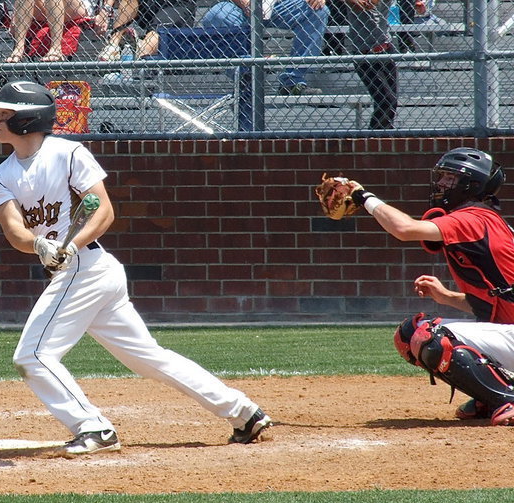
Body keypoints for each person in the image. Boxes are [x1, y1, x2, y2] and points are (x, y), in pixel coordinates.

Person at [0, 80, 273, 454]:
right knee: (149, 358)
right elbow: (14, 230)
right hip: (79, 272)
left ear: (27, 120)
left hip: (88, 267)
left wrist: (70, 245)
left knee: (32, 356)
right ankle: (244, 413)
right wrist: (39, 245)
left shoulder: (68, 154)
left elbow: (102, 210)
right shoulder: (0, 176)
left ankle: (93, 428)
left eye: (4, 114)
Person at [348, 147, 514, 427]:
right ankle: (490, 394)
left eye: (451, 179)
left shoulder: (474, 218)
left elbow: (404, 229)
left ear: (472, 186)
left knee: (430, 334)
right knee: (409, 334)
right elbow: (496, 302)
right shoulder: (479, 219)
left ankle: (505, 396)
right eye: (443, 177)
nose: (441, 184)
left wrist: (365, 197)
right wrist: (447, 297)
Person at [197, 0, 328, 96]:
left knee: (319, 10)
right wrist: (245, 3)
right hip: (238, 6)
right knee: (216, 16)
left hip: (280, 4)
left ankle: (292, 82)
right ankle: (246, 73)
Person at [342, 0, 397, 128]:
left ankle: (382, 136)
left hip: (386, 49)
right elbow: (360, 6)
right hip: (363, 55)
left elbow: (371, 3)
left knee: (392, 102)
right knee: (386, 100)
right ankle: (374, 137)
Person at [95, 0, 196, 60]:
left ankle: (138, 51)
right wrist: (105, 10)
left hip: (176, 5)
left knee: (155, 34)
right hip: (150, 4)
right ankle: (113, 46)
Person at [5, 0, 92, 62]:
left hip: (74, 5)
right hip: (45, 6)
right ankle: (19, 48)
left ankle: (56, 48)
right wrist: (15, 16)